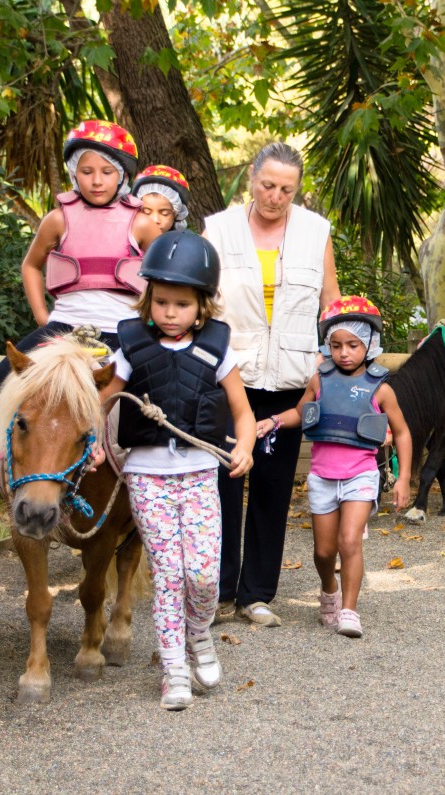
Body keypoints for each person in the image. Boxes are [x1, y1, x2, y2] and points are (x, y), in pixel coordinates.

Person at [0, 120, 162, 518]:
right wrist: (42, 316)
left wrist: (149, 325)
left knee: (156, 386)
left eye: (106, 172)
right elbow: (31, 265)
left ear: (122, 175)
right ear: (73, 172)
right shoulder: (58, 219)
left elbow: (164, 278)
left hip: (121, 329)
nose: (96, 180)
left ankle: (153, 484)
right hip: (64, 325)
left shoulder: (142, 223)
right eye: (86, 171)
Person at [98, 230, 256, 710]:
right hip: (147, 476)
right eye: (162, 302)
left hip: (200, 473)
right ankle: (173, 670)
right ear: (148, 299)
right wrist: (94, 444)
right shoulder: (130, 347)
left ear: (202, 305)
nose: (170, 313)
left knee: (203, 576)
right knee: (168, 573)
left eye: (182, 304)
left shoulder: (217, 348)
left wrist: (246, 446)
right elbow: (100, 404)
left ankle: (199, 633)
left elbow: (242, 412)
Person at [202, 142, 342, 627]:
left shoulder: (316, 231)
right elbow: (201, 299)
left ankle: (257, 594)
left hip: (289, 380)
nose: (275, 197)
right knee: (222, 483)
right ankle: (218, 592)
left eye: (286, 189)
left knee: (273, 486)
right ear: (252, 178)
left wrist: (328, 359)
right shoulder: (218, 229)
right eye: (267, 185)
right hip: (229, 377)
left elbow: (330, 300)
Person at [257, 297, 412, 638]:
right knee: (324, 551)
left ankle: (349, 611)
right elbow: (300, 412)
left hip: (361, 475)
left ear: (369, 344)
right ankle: (329, 590)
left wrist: (403, 478)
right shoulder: (319, 380)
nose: (344, 353)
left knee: (349, 542)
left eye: (353, 345)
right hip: (323, 477)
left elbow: (402, 432)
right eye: (337, 345)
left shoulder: (382, 389)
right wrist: (272, 421)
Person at [133, 165, 191, 233]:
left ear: (176, 215)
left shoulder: (185, 239)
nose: (155, 220)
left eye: (164, 213)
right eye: (147, 212)